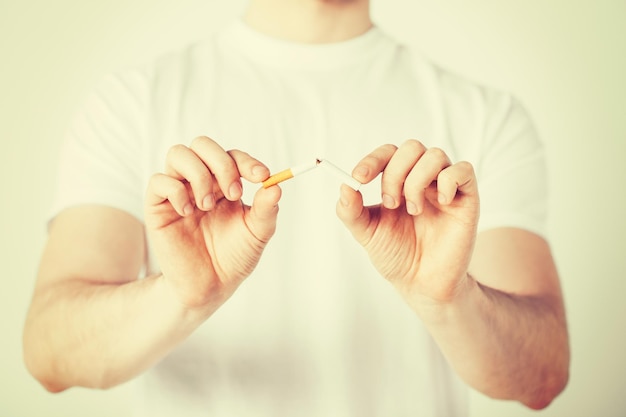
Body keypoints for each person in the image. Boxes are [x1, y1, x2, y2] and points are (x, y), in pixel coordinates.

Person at [23, 0, 569, 415]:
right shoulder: (131, 102)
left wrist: (450, 298)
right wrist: (181, 295)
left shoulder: (486, 115)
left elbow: (543, 373)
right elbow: (49, 352)